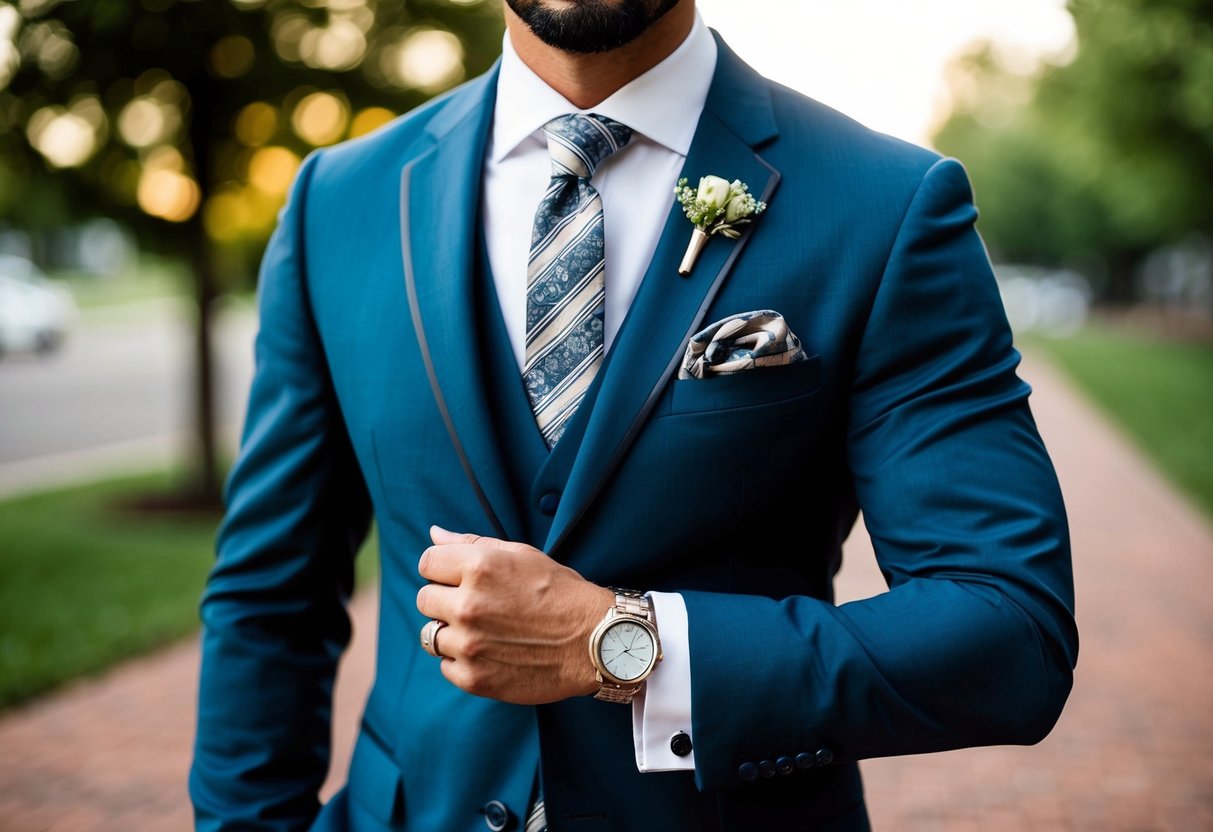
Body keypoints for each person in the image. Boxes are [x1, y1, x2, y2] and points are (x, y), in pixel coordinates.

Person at [189, 1, 1078, 829]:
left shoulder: (883, 205)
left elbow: (1008, 629)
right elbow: (273, 603)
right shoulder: (339, 203)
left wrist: (625, 644)